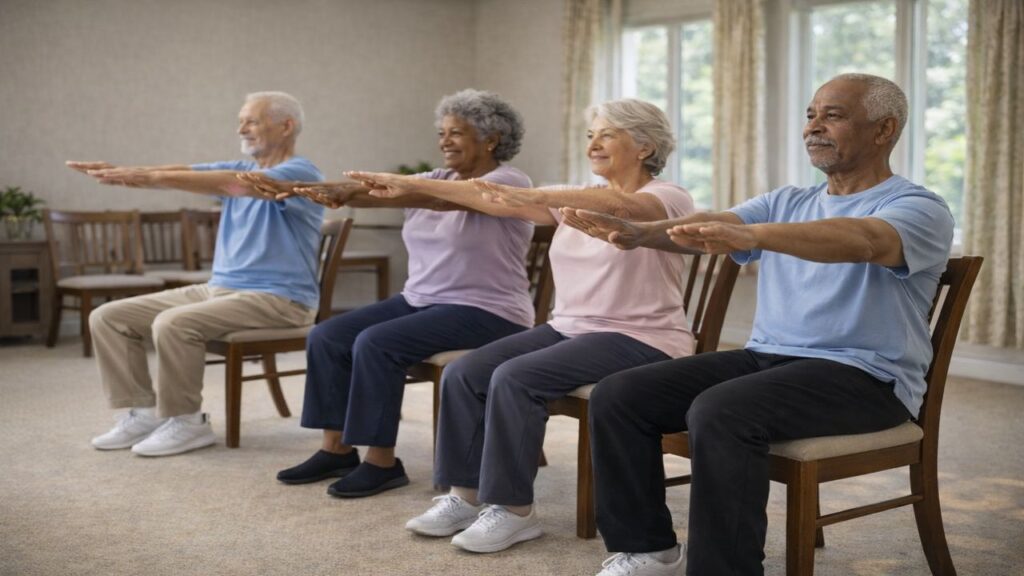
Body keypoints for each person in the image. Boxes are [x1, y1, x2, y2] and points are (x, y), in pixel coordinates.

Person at [565, 74, 954, 576]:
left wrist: (750, 233)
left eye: (832, 115)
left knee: (723, 410)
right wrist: (642, 234)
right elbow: (707, 226)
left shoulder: (918, 206)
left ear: (884, 130)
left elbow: (862, 240)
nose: (814, 126)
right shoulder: (786, 200)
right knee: (619, 395)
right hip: (769, 358)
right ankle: (648, 548)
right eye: (811, 115)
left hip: (866, 377)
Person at [348, 98, 696, 553]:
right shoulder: (572, 201)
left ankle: (513, 511)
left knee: (515, 379)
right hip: (571, 326)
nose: (593, 143)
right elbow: (484, 196)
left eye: (606, 134)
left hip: (641, 336)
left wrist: (535, 195)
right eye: (590, 134)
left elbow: (621, 204)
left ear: (646, 145)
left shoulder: (669, 196)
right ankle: (465, 494)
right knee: (465, 372)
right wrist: (404, 185)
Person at [240, 89, 536, 498]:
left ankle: (381, 462)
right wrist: (316, 188)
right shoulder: (435, 178)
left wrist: (382, 187)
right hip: (421, 299)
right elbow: (384, 193)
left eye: (457, 133)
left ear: (491, 140)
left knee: (378, 343)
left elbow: (434, 199)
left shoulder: (508, 181)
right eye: (441, 132)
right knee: (328, 335)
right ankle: (336, 448)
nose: (444, 141)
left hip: (488, 309)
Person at [67, 91, 324, 457]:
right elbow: (190, 173)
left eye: (251, 120)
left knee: (173, 323)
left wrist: (153, 177)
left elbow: (231, 184)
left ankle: (187, 422)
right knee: (109, 317)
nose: (242, 128)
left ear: (286, 126)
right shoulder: (242, 170)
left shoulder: (301, 173)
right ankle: (144, 413)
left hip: (280, 298)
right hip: (221, 289)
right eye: (241, 120)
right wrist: (131, 175)